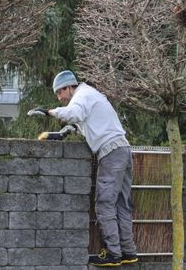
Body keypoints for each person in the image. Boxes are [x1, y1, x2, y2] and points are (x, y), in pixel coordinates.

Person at [48, 70, 138, 267]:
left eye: (59, 93)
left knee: (104, 204)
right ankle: (129, 252)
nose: (60, 98)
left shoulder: (82, 95)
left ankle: (114, 254)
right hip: (123, 149)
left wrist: (50, 112)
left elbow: (74, 113)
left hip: (111, 154)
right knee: (121, 204)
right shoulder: (89, 94)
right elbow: (84, 121)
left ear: (68, 87)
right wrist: (62, 133)